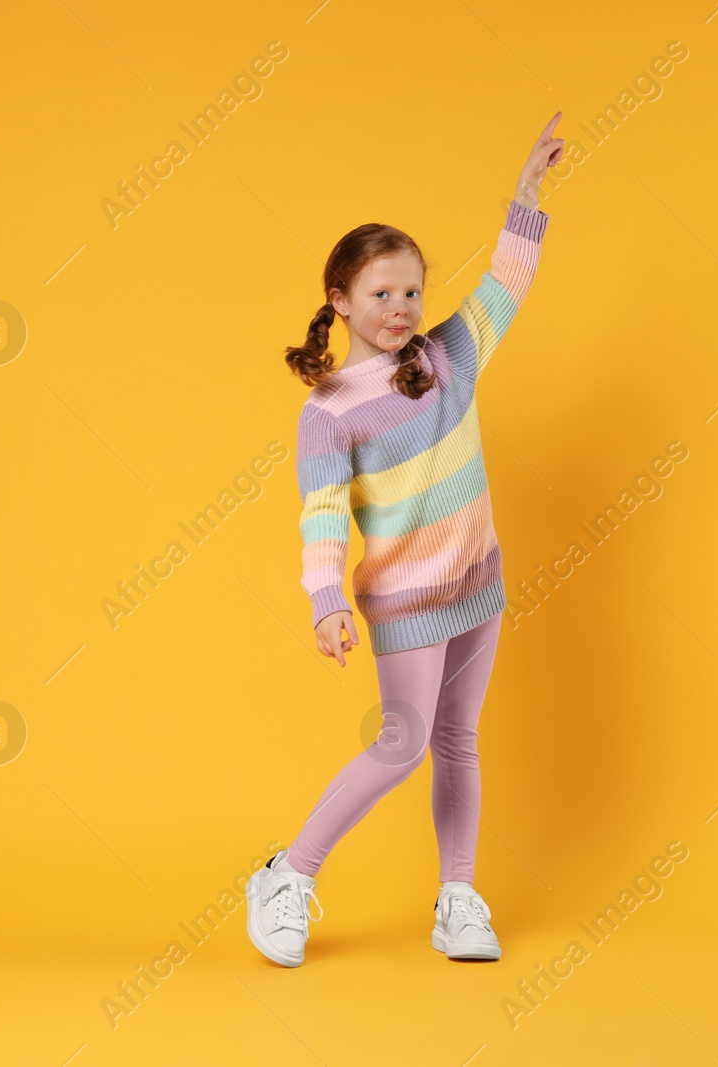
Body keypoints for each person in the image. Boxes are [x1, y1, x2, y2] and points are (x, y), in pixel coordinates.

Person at [245, 113, 564, 968]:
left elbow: (505, 284)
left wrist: (525, 199)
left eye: (413, 291)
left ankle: (458, 896)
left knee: (459, 739)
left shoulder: (449, 355)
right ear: (340, 301)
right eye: (381, 294)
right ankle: (287, 874)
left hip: (479, 584)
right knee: (403, 742)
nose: (401, 308)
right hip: (407, 601)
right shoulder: (329, 412)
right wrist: (324, 602)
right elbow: (319, 521)